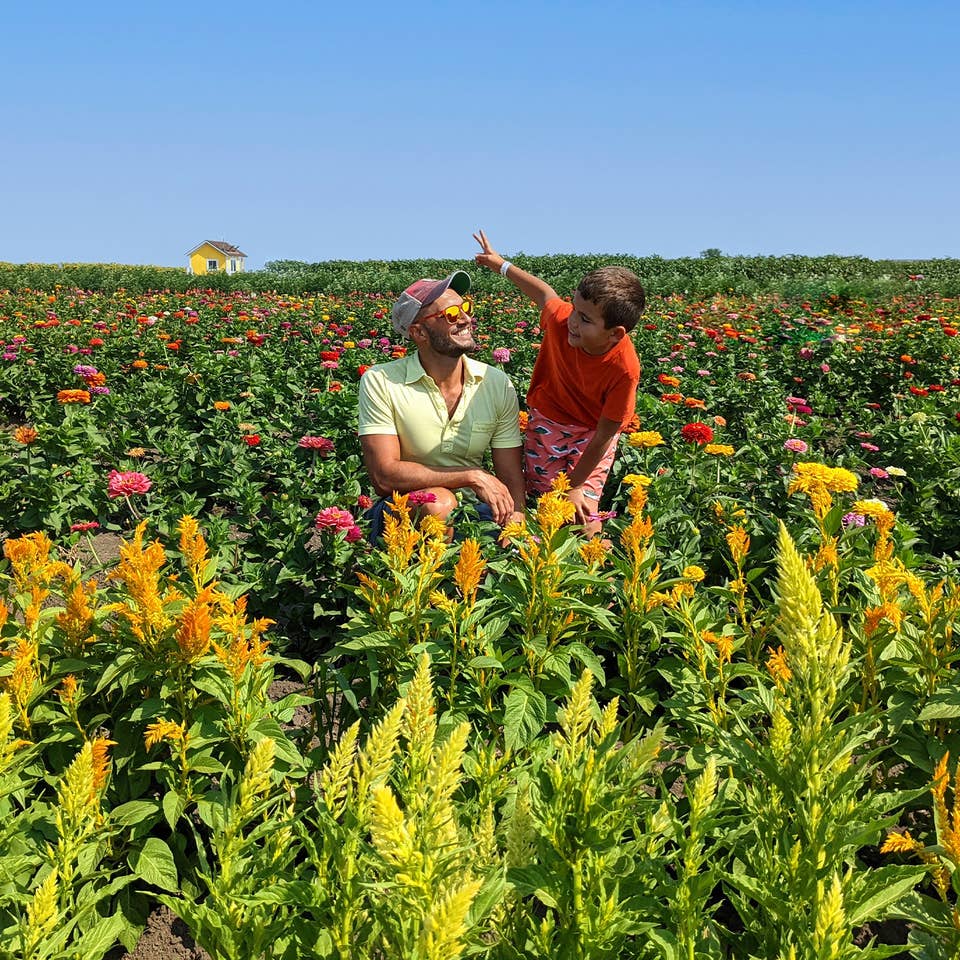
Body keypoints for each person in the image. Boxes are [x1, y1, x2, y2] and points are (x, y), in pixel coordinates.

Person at [474, 230, 645, 536]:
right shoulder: (562, 318)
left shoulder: (625, 369)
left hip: (593, 434)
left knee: (582, 510)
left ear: (616, 334)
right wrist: (499, 264)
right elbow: (544, 294)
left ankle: (591, 569)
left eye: (586, 320)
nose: (574, 322)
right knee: (546, 504)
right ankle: (538, 565)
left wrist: (577, 485)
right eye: (575, 310)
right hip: (549, 422)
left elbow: (606, 434)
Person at [358, 270, 526, 542]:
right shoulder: (382, 380)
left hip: (476, 510)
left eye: (466, 308)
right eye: (450, 314)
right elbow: (384, 476)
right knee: (440, 504)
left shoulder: (495, 383)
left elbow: (509, 471)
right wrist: (471, 476)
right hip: (402, 510)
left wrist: (517, 518)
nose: (466, 318)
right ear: (419, 333)